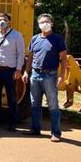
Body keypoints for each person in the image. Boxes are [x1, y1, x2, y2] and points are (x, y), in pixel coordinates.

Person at [22, 13, 68, 142]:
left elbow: (63, 59)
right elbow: (30, 57)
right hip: (35, 75)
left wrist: (61, 76)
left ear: (52, 24)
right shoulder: (35, 38)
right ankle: (35, 129)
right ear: (38, 24)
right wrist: (26, 72)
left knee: (53, 104)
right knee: (34, 104)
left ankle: (56, 133)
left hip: (50, 75)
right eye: (42, 22)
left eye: (47, 22)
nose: (45, 24)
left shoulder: (57, 39)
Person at [0, 13, 25, 131]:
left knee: (12, 98)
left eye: (5, 19)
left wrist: (18, 69)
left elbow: (20, 53)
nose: (2, 21)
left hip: (9, 71)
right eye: (0, 19)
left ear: (9, 22)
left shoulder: (17, 35)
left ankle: (12, 123)